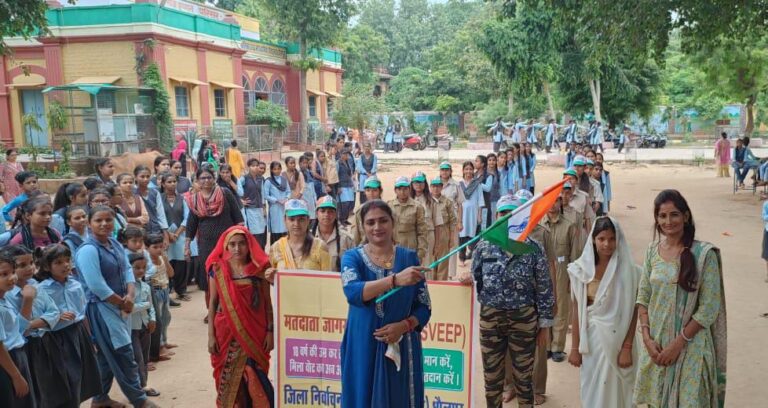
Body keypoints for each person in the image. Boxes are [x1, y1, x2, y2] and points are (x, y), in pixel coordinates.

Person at [633, 190, 727, 408]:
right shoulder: (652, 251)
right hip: (656, 348)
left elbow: (709, 308)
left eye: (674, 214)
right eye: (662, 216)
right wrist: (647, 339)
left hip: (691, 349)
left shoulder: (704, 255)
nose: (668, 221)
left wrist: (678, 343)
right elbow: (643, 295)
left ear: (685, 216)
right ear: (657, 219)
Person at [339, 199, 432, 407]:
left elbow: (424, 307)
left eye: (383, 220)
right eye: (370, 222)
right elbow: (353, 292)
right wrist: (395, 280)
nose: (377, 227)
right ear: (362, 226)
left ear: (393, 222)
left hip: (402, 344)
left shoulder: (409, 259)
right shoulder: (352, 258)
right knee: (361, 397)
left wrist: (404, 326)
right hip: (363, 344)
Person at [465, 195, 554, 408]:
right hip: (491, 320)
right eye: (503, 213)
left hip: (523, 320)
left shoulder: (533, 247)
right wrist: (467, 280)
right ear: (496, 216)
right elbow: (476, 276)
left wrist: (544, 326)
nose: (506, 218)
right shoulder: (484, 245)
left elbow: (544, 287)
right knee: (492, 378)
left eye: (512, 213)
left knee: (524, 378)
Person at [74, 205, 158, 408]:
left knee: (106, 356)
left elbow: (128, 270)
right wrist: (122, 302)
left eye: (108, 220)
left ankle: (100, 398)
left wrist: (130, 295)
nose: (104, 224)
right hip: (103, 308)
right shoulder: (88, 250)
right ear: (89, 223)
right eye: (98, 220)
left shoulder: (114, 244)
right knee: (123, 354)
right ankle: (139, 399)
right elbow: (96, 285)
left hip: (122, 306)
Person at [566, 217, 640, 407]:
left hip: (619, 339)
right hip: (592, 341)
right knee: (594, 390)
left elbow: (633, 310)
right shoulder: (581, 270)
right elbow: (577, 310)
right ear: (593, 239)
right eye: (601, 239)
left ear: (618, 239)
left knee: (618, 391)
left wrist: (627, 347)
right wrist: (574, 348)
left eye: (612, 239)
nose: (607, 244)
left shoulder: (630, 272)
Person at [206, 225, 273, 407]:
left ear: (249, 244)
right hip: (225, 332)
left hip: (255, 332)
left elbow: (267, 303)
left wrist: (270, 331)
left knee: (255, 377)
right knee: (227, 381)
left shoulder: (259, 270)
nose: (237, 249)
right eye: (233, 244)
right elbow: (213, 303)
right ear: (226, 246)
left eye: (242, 243)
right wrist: (211, 336)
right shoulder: (217, 269)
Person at [34, 243, 101, 406]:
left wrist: (90, 340)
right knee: (66, 380)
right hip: (56, 338)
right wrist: (56, 317)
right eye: (58, 262)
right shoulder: (42, 289)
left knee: (82, 377)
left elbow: (82, 315)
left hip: (78, 333)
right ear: (47, 267)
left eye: (67, 260)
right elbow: (37, 319)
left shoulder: (75, 285)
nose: (65, 265)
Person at [185, 166, 244, 273]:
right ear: (197, 180)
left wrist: (239, 241)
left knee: (228, 272)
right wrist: (187, 247)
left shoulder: (225, 193)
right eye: (203, 178)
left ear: (214, 179)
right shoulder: (195, 200)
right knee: (209, 273)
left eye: (209, 177)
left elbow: (238, 218)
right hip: (206, 244)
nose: (206, 180)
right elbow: (191, 224)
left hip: (227, 242)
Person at [265, 199, 332, 283]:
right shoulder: (276, 248)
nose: (296, 224)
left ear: (308, 220)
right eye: (292, 219)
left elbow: (327, 281)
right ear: (285, 220)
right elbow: (276, 281)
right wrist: (271, 278)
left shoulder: (319, 247)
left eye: (301, 219)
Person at [0, 250, 32, 408]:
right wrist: (16, 376)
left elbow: (18, 330)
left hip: (17, 357)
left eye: (12, 272)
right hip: (7, 362)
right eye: (3, 274)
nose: (12, 277)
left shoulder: (4, 299)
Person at [127, 253, 159, 398]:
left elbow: (151, 307)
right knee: (137, 358)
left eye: (144, 267)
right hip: (131, 328)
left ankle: (143, 384)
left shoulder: (145, 286)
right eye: (137, 267)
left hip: (145, 326)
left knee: (145, 358)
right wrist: (145, 304)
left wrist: (153, 319)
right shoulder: (127, 288)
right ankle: (141, 387)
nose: (141, 270)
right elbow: (129, 308)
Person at [159, 172, 190, 302]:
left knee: (181, 263)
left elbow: (187, 217)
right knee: (167, 262)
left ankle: (181, 290)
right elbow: (159, 216)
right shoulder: (159, 198)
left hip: (179, 236)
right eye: (169, 182)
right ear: (163, 184)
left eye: (174, 181)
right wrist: (167, 234)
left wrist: (177, 233)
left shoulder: (182, 199)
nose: (172, 184)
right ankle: (168, 291)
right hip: (165, 236)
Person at [388, 176, 428, 263]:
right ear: (395, 190)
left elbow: (422, 231)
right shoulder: (389, 206)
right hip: (393, 248)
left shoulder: (417, 207)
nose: (402, 192)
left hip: (411, 248)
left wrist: (421, 252)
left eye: (405, 189)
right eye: (399, 189)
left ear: (409, 189)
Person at [312, 196, 354, 272]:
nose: (326, 214)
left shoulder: (347, 239)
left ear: (336, 214)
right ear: (316, 214)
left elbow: (353, 266)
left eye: (330, 211)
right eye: (322, 211)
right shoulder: (308, 238)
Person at [438, 162, 464, 278]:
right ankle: (439, 271)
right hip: (438, 221)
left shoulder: (456, 185)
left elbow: (460, 205)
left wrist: (460, 222)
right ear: (440, 171)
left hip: (452, 221)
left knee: (452, 247)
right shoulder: (434, 183)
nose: (444, 172)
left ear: (450, 171)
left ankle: (450, 274)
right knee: (439, 247)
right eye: (442, 170)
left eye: (447, 170)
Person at [429, 177, 457, 280]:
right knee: (431, 262)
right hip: (430, 234)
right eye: (433, 186)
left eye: (438, 186)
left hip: (443, 233)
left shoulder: (447, 202)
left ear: (441, 187)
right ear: (430, 187)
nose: (435, 189)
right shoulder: (427, 201)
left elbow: (452, 221)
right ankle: (431, 285)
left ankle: (441, 284)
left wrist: (451, 238)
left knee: (442, 262)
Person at [238, 158, 268, 250]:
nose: (255, 167)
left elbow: (262, 194)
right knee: (253, 232)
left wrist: (264, 207)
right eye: (253, 166)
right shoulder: (244, 178)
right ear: (249, 167)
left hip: (259, 209)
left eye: (257, 166)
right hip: (250, 209)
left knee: (261, 231)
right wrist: (240, 200)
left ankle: (261, 252)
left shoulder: (260, 179)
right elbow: (237, 190)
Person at [458, 162, 483, 266]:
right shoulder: (459, 185)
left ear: (473, 171)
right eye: (466, 169)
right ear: (463, 171)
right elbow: (457, 201)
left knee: (474, 238)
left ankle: (473, 258)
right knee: (462, 237)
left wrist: (479, 215)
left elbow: (480, 200)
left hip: (473, 214)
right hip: (462, 214)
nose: (468, 171)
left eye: (470, 169)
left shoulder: (477, 184)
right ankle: (462, 258)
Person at [411, 171, 438, 267]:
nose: (418, 184)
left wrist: (437, 245)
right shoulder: (407, 200)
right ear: (412, 184)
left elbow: (437, 224)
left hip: (428, 236)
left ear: (425, 184)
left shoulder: (431, 201)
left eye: (421, 182)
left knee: (427, 265)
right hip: (412, 237)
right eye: (416, 182)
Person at [264, 161, 290, 246]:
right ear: (271, 170)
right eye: (275, 169)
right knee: (275, 230)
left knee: (284, 228)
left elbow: (288, 192)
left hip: (284, 207)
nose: (277, 171)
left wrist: (286, 199)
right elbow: (265, 195)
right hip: (274, 208)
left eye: (279, 169)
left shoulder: (284, 180)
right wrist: (277, 200)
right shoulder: (269, 181)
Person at [350, 177, 383, 245]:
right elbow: (355, 235)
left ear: (380, 191)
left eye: (375, 190)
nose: (371, 193)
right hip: (365, 248)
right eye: (368, 190)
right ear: (364, 192)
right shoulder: (360, 211)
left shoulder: (387, 210)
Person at [337, 149, 356, 225]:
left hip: (349, 184)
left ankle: (345, 219)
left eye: (347, 154)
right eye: (344, 154)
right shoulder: (338, 163)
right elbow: (336, 175)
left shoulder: (348, 162)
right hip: (342, 185)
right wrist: (338, 186)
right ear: (341, 155)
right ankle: (341, 220)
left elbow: (350, 173)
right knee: (344, 204)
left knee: (350, 203)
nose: (346, 155)